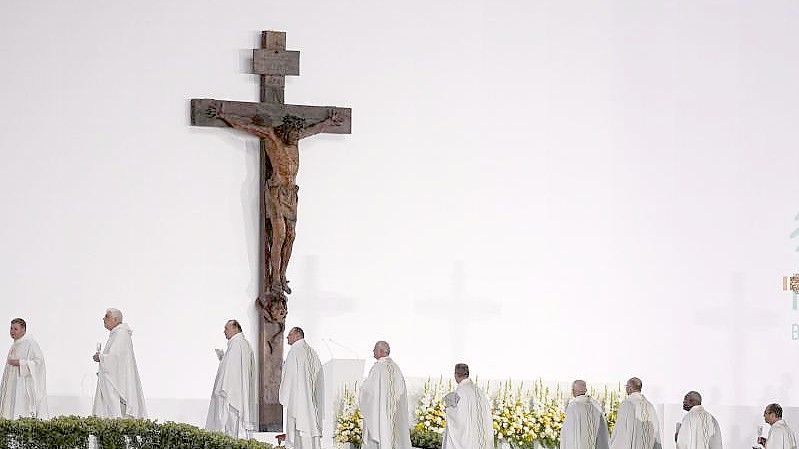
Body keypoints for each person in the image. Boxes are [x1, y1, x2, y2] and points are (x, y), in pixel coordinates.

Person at [206, 103, 342, 295]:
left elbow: (314, 130)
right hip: (276, 191)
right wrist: (223, 115)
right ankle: (275, 279)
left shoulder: (296, 139)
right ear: (285, 131)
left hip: (291, 193)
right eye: (293, 135)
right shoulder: (272, 137)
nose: (296, 138)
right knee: (279, 234)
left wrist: (329, 122)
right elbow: (246, 126)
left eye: (298, 135)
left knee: (291, 235)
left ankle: (283, 274)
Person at [206, 319, 257, 438]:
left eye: (226, 329)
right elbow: (234, 367)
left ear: (235, 328)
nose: (224, 332)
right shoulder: (242, 344)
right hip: (236, 393)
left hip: (232, 395)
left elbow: (232, 372)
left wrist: (223, 389)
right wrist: (223, 358)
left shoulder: (237, 344)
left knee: (230, 427)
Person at [92, 308, 147, 418]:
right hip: (110, 378)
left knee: (115, 409)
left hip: (116, 382)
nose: (104, 318)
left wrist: (101, 358)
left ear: (115, 319)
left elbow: (116, 358)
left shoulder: (121, 334)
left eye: (107, 316)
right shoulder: (116, 334)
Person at [359, 341, 411, 449]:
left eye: (375, 349)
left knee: (381, 434)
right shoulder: (397, 368)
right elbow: (401, 392)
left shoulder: (378, 368)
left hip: (381, 414)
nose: (373, 351)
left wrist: (361, 388)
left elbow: (368, 392)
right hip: (394, 414)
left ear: (381, 351)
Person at [279, 327, 324, 449]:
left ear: (297, 335)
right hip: (310, 401)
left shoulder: (295, 351)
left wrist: (285, 395)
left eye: (289, 335)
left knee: (297, 425)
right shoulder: (312, 352)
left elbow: (289, 376)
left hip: (298, 399)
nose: (287, 337)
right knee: (309, 423)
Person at [0, 318, 47, 418]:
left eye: (15, 329)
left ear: (23, 329)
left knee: (20, 412)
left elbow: (39, 362)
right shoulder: (16, 344)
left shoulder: (30, 343)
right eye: (11, 328)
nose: (12, 332)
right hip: (12, 385)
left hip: (22, 387)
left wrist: (20, 363)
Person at [442, 363, 493, 449]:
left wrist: (448, 408)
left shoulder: (460, 392)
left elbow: (457, 417)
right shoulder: (478, 391)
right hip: (478, 436)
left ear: (456, 375)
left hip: (467, 438)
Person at [610, 377, 661, 449]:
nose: (626, 389)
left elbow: (620, 432)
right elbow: (656, 431)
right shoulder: (650, 406)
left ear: (630, 388)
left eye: (626, 386)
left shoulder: (627, 404)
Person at [560, 380, 610, 449]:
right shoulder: (595, 406)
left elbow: (567, 433)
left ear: (573, 391)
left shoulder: (573, 406)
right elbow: (603, 435)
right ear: (585, 390)